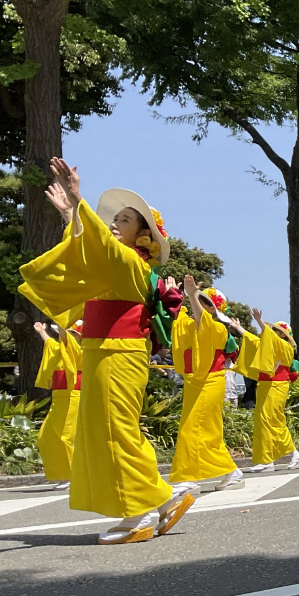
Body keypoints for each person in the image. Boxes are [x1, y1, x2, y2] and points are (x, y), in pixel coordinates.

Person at [18, 157, 194, 544]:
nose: (115, 222)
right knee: (113, 430)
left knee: (114, 432)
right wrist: (70, 216)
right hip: (105, 351)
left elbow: (99, 249)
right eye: (116, 219)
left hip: (118, 353)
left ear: (143, 237)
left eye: (126, 220)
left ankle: (138, 514)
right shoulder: (116, 265)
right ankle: (163, 501)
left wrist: (78, 200)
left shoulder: (131, 263)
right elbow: (89, 256)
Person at [169, 279, 243, 490]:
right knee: (195, 430)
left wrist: (192, 295)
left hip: (210, 382)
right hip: (196, 383)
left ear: (214, 308)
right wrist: (177, 294)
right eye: (200, 300)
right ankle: (229, 472)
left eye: (205, 301)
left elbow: (201, 319)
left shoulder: (218, 329)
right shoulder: (192, 325)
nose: (200, 304)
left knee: (195, 431)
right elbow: (179, 319)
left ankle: (188, 478)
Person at [241, 308, 299, 472]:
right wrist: (238, 328)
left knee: (273, 420)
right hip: (265, 386)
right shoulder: (271, 344)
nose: (274, 332)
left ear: (284, 335)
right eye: (274, 330)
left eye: (278, 331)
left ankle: (293, 453)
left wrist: (259, 322)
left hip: (276, 386)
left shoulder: (286, 347)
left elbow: (269, 338)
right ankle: (266, 460)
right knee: (263, 421)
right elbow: (255, 341)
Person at [32, 321, 82, 491]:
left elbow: (65, 337)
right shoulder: (60, 349)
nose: (63, 335)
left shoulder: (79, 351)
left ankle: (74, 476)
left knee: (66, 438)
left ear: (77, 335)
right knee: (46, 435)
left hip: (74, 397)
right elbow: (50, 343)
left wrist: (62, 322)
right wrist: (42, 332)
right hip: (59, 399)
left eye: (69, 333)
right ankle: (61, 474)